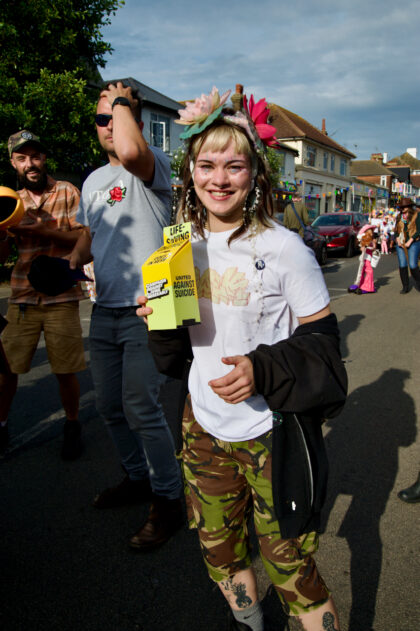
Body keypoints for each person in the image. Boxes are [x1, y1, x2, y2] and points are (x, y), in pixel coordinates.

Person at [137, 87, 347, 631]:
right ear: (189, 173)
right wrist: (157, 318)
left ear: (256, 173)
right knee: (220, 554)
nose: (220, 179)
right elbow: (173, 357)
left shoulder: (284, 249)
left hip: (269, 432)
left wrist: (262, 367)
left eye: (235, 165)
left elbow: (327, 356)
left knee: (290, 567)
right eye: (207, 165)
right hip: (202, 426)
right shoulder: (178, 245)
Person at [69, 81, 183, 550]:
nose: (109, 125)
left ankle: (169, 498)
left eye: (117, 115)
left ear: (131, 119)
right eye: (101, 119)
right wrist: (67, 265)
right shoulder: (93, 181)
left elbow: (131, 150)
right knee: (111, 408)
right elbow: (92, 235)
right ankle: (138, 478)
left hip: (147, 310)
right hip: (106, 311)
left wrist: (123, 106)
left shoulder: (151, 165)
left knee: (141, 407)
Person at [0, 130, 86, 459]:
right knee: (6, 370)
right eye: (22, 158)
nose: (30, 164)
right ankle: (2, 425)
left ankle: (72, 425)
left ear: (44, 159)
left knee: (66, 370)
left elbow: (84, 240)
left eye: (35, 156)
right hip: (22, 295)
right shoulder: (10, 201)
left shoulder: (67, 191)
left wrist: (43, 231)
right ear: (14, 163)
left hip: (62, 295)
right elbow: (2, 254)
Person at [395, 198, 420, 294]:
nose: (402, 208)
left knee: (413, 265)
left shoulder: (416, 215)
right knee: (402, 265)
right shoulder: (398, 216)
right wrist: (397, 238)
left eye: (404, 206)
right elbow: (396, 230)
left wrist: (410, 240)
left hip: (413, 242)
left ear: (409, 206)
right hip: (401, 243)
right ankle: (405, 286)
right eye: (401, 206)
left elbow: (419, 231)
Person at [348, 225, 378, 294]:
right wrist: (363, 246)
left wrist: (372, 244)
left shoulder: (371, 239)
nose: (371, 233)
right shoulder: (364, 238)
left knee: (365, 271)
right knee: (365, 271)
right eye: (370, 231)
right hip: (364, 257)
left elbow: (373, 248)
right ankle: (363, 286)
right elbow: (361, 247)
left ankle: (363, 285)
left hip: (368, 258)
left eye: (371, 231)